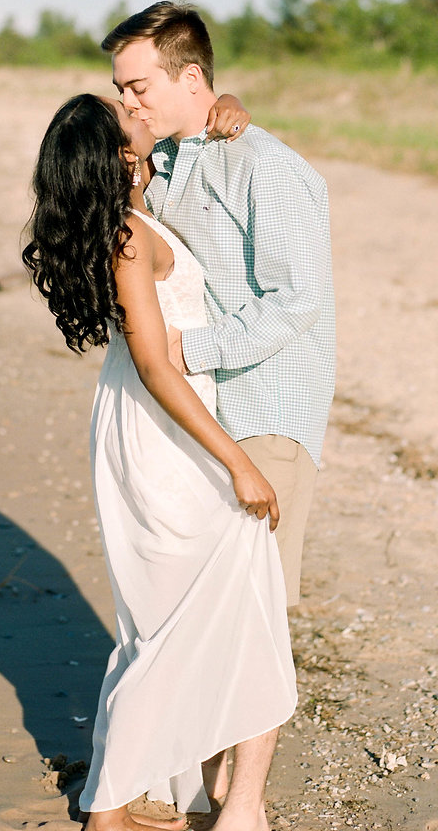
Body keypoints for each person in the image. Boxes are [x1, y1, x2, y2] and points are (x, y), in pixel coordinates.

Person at [22, 94, 296, 831]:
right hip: (162, 429)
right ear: (117, 154)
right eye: (127, 115)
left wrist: (224, 111)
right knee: (181, 617)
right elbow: (153, 362)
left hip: (148, 421)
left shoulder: (133, 213)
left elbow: (192, 133)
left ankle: (140, 784)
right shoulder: (128, 238)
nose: (138, 110)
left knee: (168, 615)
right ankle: (107, 806)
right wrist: (238, 460)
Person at [102, 1, 336, 612]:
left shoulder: (267, 166)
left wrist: (191, 350)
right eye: (121, 89)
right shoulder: (169, 163)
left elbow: (296, 300)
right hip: (205, 410)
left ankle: (261, 714)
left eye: (139, 86)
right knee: (211, 601)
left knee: (255, 603)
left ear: (189, 77)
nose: (130, 102)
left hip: (266, 406)